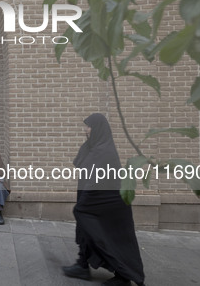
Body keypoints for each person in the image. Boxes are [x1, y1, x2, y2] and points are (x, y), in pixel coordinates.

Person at [62, 113, 145, 286]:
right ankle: (82, 265)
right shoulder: (95, 147)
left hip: (109, 206)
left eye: (89, 126)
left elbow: (96, 180)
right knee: (86, 228)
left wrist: (83, 203)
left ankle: (124, 277)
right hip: (94, 200)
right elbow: (82, 165)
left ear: (98, 128)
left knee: (109, 236)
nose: (86, 130)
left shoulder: (104, 151)